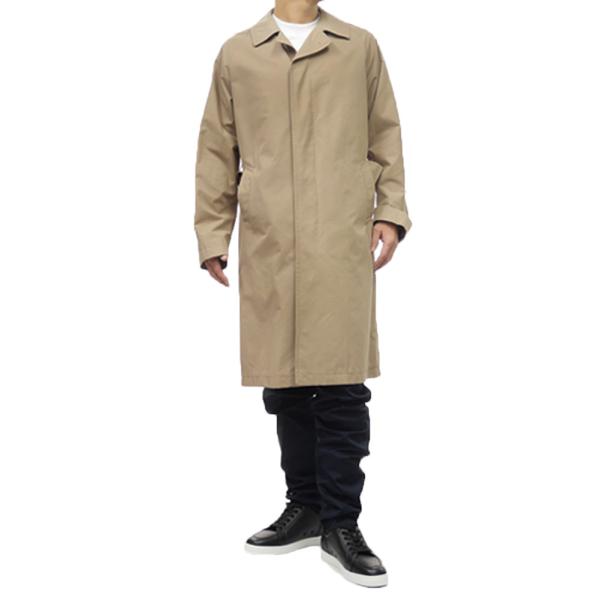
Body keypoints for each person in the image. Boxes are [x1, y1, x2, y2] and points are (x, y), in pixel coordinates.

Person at [194, 0, 411, 588]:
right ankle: (306, 506)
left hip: (339, 237)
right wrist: (213, 233)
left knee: (341, 385)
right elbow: (216, 149)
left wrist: (390, 211)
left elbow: (386, 135)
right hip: (271, 242)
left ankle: (342, 522)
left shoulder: (358, 46)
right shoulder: (238, 54)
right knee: (284, 383)